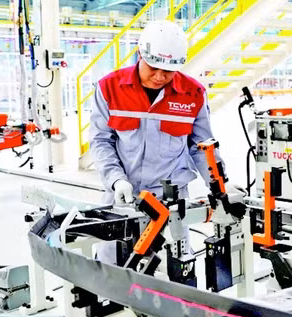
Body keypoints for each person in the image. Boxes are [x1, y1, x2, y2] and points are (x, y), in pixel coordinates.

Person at [89, 20, 224, 225]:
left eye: (168, 71)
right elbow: (101, 141)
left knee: (174, 246)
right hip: (123, 196)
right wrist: (116, 180)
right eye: (153, 67)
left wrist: (221, 187)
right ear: (140, 54)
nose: (160, 77)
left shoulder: (193, 94)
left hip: (172, 203)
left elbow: (203, 147)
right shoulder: (109, 88)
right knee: (114, 246)